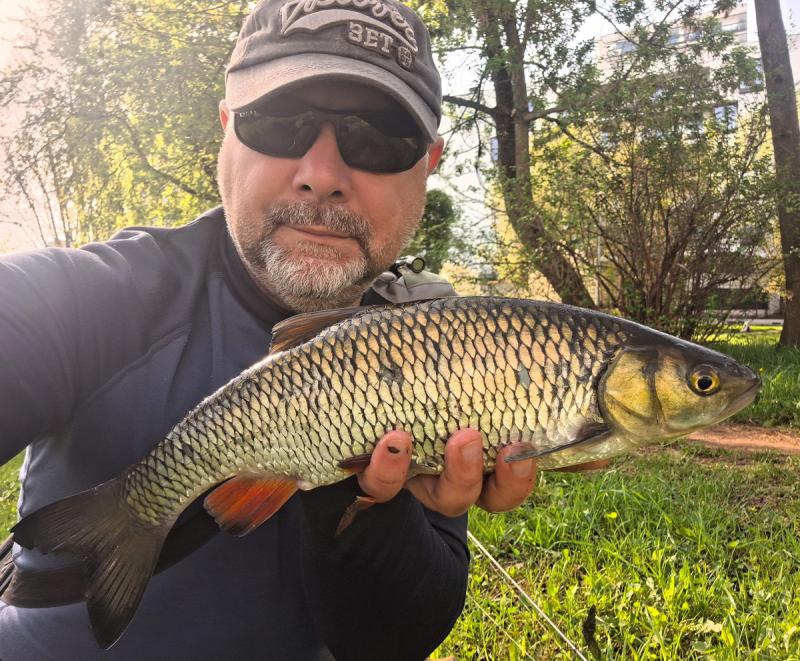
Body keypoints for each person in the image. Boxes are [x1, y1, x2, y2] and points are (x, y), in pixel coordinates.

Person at [0, 0, 543, 659]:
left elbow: (393, 642)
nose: (322, 176)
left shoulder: (449, 348)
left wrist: (368, 501)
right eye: (281, 123)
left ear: (428, 163)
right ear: (227, 129)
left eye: (377, 138)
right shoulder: (90, 297)